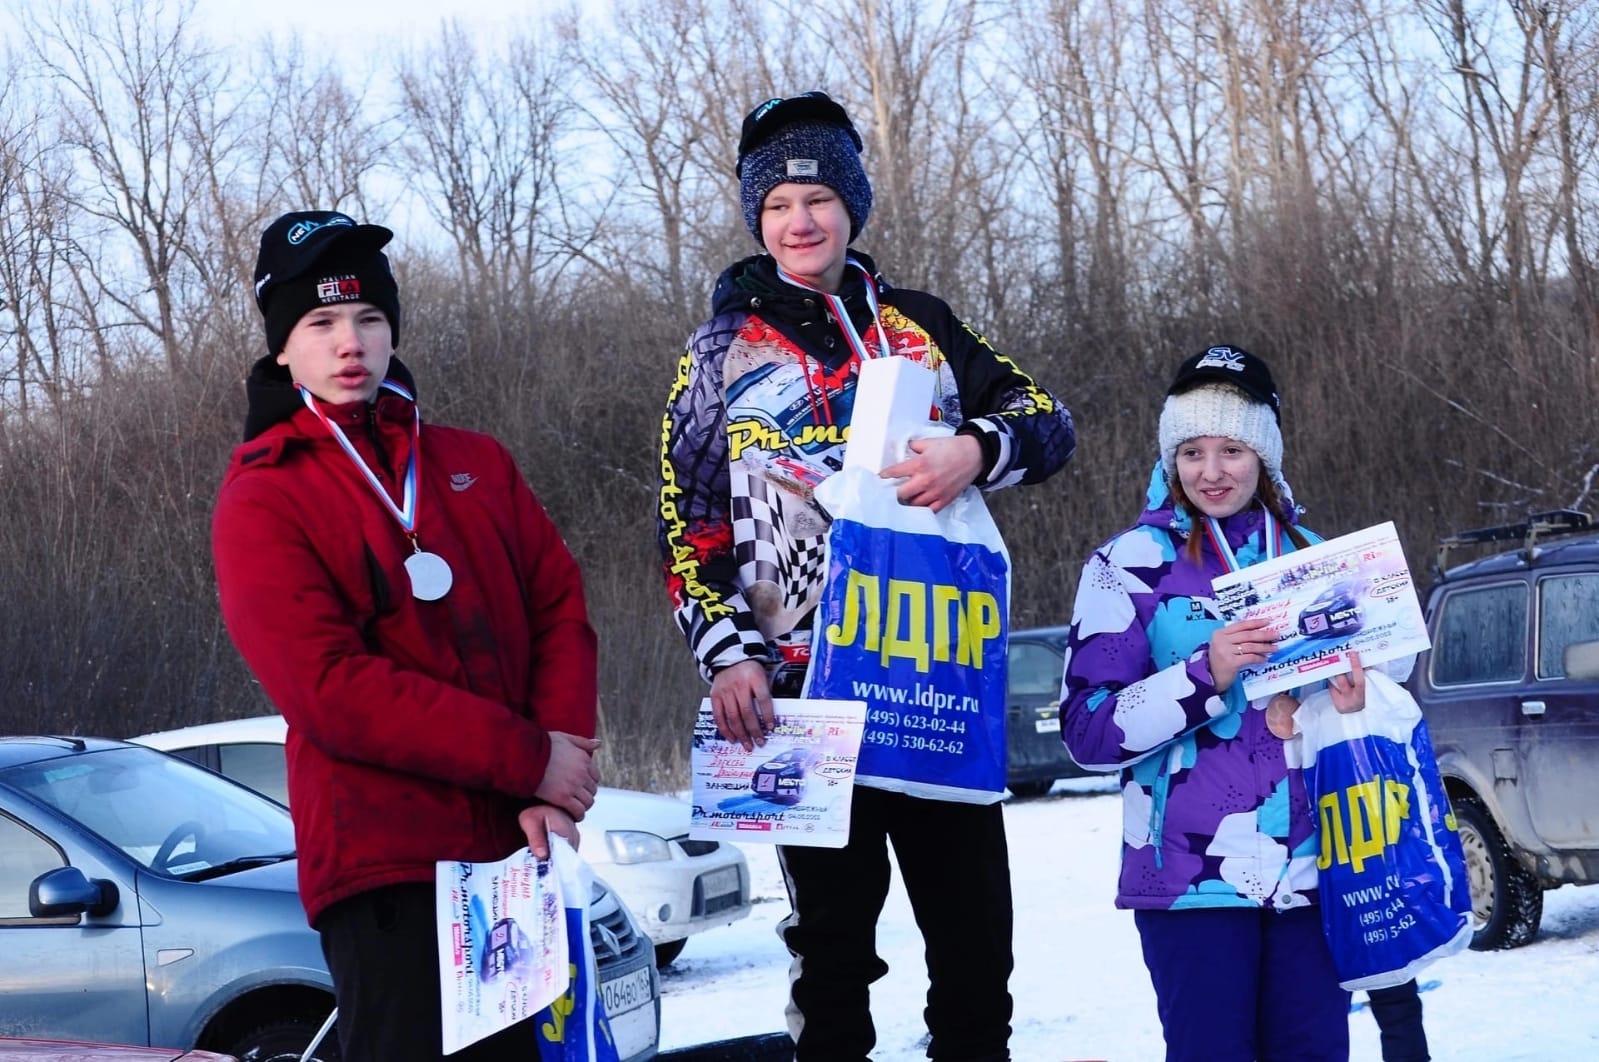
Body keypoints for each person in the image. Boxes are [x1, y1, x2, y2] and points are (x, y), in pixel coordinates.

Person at [656, 91, 1075, 1061]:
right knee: (833, 962)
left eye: (817, 199)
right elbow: (687, 528)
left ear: (852, 205)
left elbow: (1048, 422)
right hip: (807, 698)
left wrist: (976, 449)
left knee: (975, 953)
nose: (799, 221)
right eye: (777, 206)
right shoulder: (716, 354)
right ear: (757, 220)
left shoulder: (921, 325)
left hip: (934, 683)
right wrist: (729, 656)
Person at [212, 210, 601, 1062]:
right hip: (385, 866)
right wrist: (529, 758)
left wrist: (556, 773)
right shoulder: (263, 496)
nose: (349, 342)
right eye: (320, 323)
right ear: (283, 349)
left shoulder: (475, 462)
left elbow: (557, 607)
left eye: (368, 318)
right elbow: (329, 689)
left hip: (515, 848)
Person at [1060, 344, 1395, 1061]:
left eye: (1231, 450)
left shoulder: (1314, 556)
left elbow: (1372, 707)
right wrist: (1202, 674)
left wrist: (1352, 702)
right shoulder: (1128, 564)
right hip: (1189, 881)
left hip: (1313, 872)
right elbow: (1087, 734)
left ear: (1263, 455)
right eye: (1192, 452)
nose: (1210, 472)